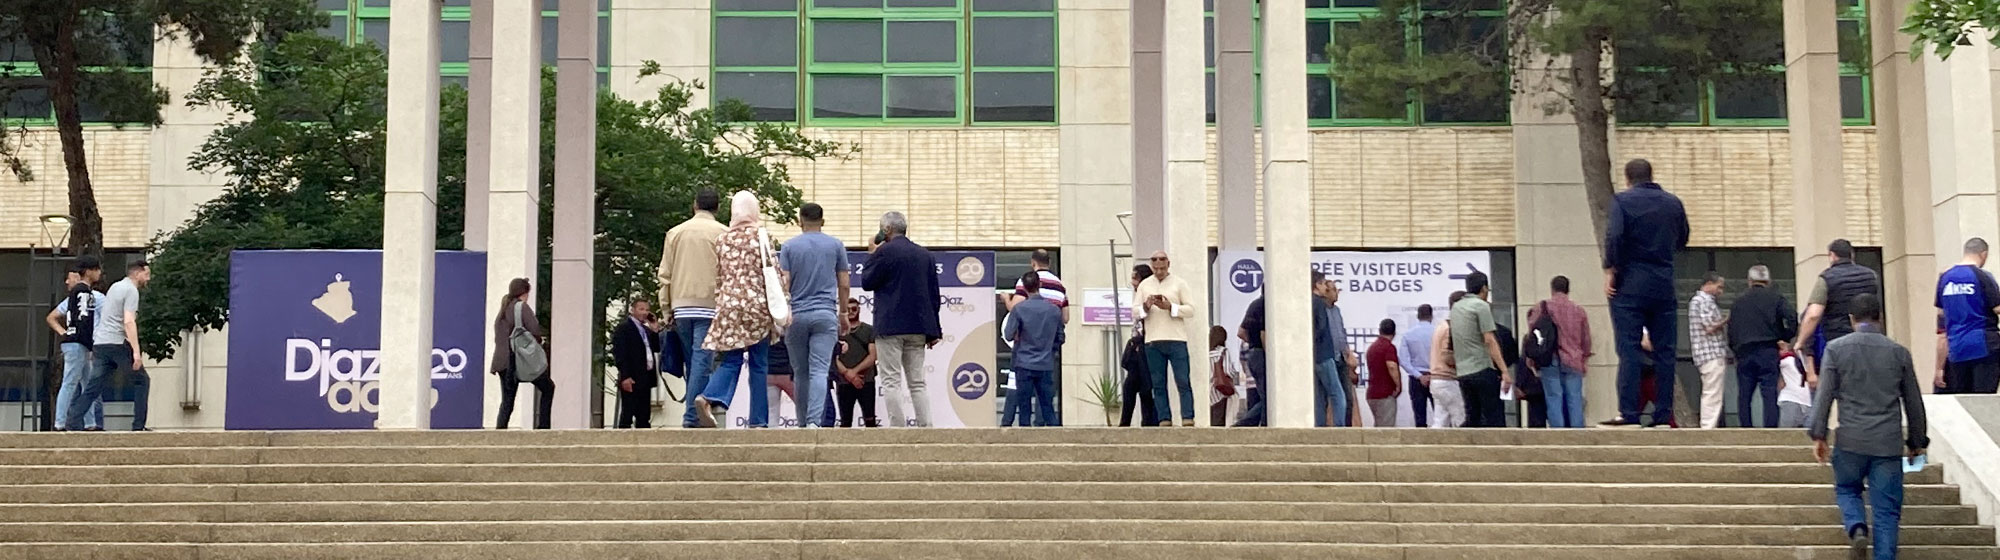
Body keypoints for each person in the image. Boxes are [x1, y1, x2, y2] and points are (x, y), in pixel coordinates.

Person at [1808, 294, 1927, 560]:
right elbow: (1914, 403)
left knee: (1847, 489)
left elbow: (1824, 395)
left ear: (1851, 319)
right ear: (1880, 317)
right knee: (1887, 511)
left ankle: (1857, 527)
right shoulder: (1899, 353)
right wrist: (1917, 442)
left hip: (1850, 439)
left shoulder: (1836, 349)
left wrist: (1819, 434)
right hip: (1887, 443)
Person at [1601, 159, 1691, 428]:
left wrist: (1611, 269)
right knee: (1665, 352)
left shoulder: (1622, 202)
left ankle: (1629, 413)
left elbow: (1615, 237)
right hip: (1663, 283)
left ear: (1628, 179)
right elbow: (1683, 237)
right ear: (1652, 176)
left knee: (1628, 349)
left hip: (1629, 284)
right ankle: (1663, 415)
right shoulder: (1673, 202)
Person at [692, 191, 783, 429]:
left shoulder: (722, 239)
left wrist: (721, 304)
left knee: (731, 360)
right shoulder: (761, 237)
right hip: (757, 309)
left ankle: (708, 396)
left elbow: (720, 277)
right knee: (759, 364)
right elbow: (773, 273)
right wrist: (784, 304)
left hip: (729, 307)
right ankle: (758, 422)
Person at [862, 211, 942, 428]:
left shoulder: (883, 252)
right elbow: (934, 294)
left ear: (886, 230)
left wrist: (872, 253)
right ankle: (926, 427)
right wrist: (935, 330)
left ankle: (898, 429)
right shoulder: (925, 255)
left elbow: (867, 282)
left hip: (890, 326)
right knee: (917, 382)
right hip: (919, 326)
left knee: (891, 381)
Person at [778, 202, 851, 428]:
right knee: (820, 370)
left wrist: (782, 313)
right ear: (823, 221)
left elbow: (784, 282)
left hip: (796, 315)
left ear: (800, 221)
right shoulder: (836, 245)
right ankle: (813, 423)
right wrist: (844, 313)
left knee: (800, 373)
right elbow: (844, 283)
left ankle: (801, 422)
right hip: (825, 313)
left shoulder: (789, 247)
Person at [659, 188, 727, 428]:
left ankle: (692, 412)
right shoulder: (723, 234)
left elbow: (665, 275)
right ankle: (692, 417)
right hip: (710, 306)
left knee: (693, 362)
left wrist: (666, 309)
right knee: (701, 362)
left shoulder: (675, 233)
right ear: (717, 208)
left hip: (681, 305)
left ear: (694, 205)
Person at [71, 260, 149, 431]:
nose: (148, 279)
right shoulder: (131, 290)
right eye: (146, 274)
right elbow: (128, 321)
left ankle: (73, 421)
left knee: (93, 386)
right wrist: (136, 351)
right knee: (142, 381)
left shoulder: (115, 286)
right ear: (137, 274)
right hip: (117, 342)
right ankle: (138, 426)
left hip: (101, 343)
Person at [1794, 239, 1883, 366]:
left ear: (1832, 255)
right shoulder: (1871, 275)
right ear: (1852, 255)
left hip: (1838, 338)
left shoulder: (1826, 278)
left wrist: (1800, 342)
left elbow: (1813, 315)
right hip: (1870, 339)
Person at [1728, 264, 1796, 429]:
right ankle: (1770, 431)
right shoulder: (1776, 298)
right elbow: (1792, 318)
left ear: (1749, 281)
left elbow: (1731, 329)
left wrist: (1735, 349)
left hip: (1744, 351)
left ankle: (1746, 430)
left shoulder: (1738, 302)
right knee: (1769, 394)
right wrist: (1784, 337)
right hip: (1768, 349)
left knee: (1744, 395)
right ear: (1768, 280)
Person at [1135, 250, 1197, 427]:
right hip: (1153, 340)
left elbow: (1191, 309)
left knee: (1183, 380)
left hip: (1176, 339)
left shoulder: (1179, 284)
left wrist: (1171, 307)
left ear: (1168, 265)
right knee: (1158, 383)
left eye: (1162, 267)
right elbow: (1134, 311)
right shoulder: (1145, 285)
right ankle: (1164, 418)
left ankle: (1187, 417)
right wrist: (1146, 307)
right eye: (1155, 268)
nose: (1159, 271)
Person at [1935, 237, 2000, 394]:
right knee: (1983, 402)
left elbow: (1941, 324)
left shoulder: (1945, 278)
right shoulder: (1983, 277)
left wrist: (1939, 367)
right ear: (1983, 254)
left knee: (1962, 402)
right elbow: (1997, 307)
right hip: (1984, 346)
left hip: (1957, 350)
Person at [1526, 276, 1592, 428]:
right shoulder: (1578, 310)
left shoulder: (1541, 308)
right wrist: (1585, 358)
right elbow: (1585, 338)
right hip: (1574, 359)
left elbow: (1533, 334)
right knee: (1575, 398)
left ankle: (1558, 433)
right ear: (1568, 289)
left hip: (1550, 358)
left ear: (1552, 289)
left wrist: (1531, 358)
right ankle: (1577, 435)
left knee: (1553, 397)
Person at [48, 258, 105, 431]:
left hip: (74, 340)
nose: (99, 273)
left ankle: (90, 422)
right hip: (79, 342)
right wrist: (89, 344)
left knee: (86, 383)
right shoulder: (85, 293)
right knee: (71, 382)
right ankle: (60, 422)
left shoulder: (76, 292)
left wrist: (66, 333)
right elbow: (84, 320)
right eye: (96, 269)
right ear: (88, 272)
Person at [1003, 271, 1065, 427]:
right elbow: (1061, 337)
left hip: (1023, 363)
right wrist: (1051, 349)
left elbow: (1008, 334)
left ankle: (1025, 445)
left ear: (1024, 288)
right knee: (1047, 407)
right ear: (1040, 285)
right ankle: (1055, 442)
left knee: (1024, 408)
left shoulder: (1019, 309)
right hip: (1045, 363)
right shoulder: (1054, 310)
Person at [1451, 271, 1512, 428]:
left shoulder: (1456, 307)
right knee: (1494, 417)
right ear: (1484, 288)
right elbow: (1489, 340)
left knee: (1473, 418)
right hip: (1482, 368)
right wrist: (1504, 371)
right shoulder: (1481, 306)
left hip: (1463, 372)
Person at [490, 277, 553, 429]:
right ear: (524, 292)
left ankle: (499, 433)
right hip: (519, 360)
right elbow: (534, 329)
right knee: (548, 388)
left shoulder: (503, 311)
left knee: (507, 401)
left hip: (502, 362)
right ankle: (543, 428)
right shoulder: (521, 307)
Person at [611, 299, 662, 429]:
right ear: (632, 310)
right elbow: (620, 353)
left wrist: (655, 329)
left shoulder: (646, 330)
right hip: (631, 377)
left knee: (644, 415)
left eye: (647, 310)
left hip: (646, 376)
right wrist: (625, 375)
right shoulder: (624, 329)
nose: (644, 313)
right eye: (641, 309)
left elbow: (656, 348)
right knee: (628, 413)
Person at [1688, 272, 1729, 429]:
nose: (1721, 291)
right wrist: (1726, 320)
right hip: (1711, 352)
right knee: (1713, 393)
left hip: (1703, 353)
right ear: (1709, 284)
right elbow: (1710, 326)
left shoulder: (1697, 301)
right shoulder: (1704, 301)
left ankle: (1708, 425)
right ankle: (1708, 426)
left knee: (1710, 391)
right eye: (1719, 287)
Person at [1122, 264, 1160, 427]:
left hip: (1145, 346)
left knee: (1144, 387)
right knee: (1132, 386)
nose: (1132, 282)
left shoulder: (1148, 297)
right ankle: (1127, 423)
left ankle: (1147, 422)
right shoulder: (1138, 297)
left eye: (1134, 278)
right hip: (1136, 347)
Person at [1311, 271, 1348, 428]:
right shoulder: (1318, 303)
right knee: (1337, 394)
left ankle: (1319, 428)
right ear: (1317, 284)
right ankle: (1339, 428)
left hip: (1314, 356)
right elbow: (1319, 328)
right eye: (1324, 284)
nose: (1326, 288)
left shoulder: (1308, 302)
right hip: (1324, 354)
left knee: (1319, 397)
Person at [1426, 291, 1468, 428]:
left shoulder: (1441, 325)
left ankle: (1433, 448)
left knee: (1440, 420)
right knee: (1460, 417)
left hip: (1436, 380)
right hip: (1448, 380)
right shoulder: (1451, 327)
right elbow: (1447, 356)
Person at [836, 298, 878, 427]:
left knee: (870, 420)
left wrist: (853, 373)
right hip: (843, 381)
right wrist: (847, 374)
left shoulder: (869, 330)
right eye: (847, 309)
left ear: (859, 309)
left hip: (866, 380)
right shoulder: (836, 331)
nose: (850, 312)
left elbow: (873, 355)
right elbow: (833, 357)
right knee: (845, 422)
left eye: (854, 309)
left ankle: (872, 447)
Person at [1231, 293, 1267, 427]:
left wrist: (1251, 341)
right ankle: (1247, 423)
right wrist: (1267, 352)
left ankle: (1247, 423)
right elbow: (1263, 334)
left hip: (1253, 353)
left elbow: (1241, 332)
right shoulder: (1265, 305)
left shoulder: (1254, 305)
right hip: (1260, 353)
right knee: (1268, 397)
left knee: (1264, 396)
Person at [1398, 304, 1436, 428]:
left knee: (1419, 416)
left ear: (1418, 316)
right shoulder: (1437, 332)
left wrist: (1419, 376)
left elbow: (1403, 360)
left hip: (1416, 378)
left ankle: (1421, 444)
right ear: (1431, 316)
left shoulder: (1408, 334)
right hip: (1436, 376)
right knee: (1441, 416)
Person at [1009, 249, 1068, 321]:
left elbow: (1014, 309)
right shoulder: (1060, 285)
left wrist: (1006, 299)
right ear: (1049, 263)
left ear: (1033, 263)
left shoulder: (1026, 280)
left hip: (1030, 329)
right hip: (1052, 330)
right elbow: (1065, 318)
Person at [1364, 319, 1400, 427]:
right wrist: (1398, 386)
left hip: (1372, 393)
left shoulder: (1372, 347)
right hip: (1385, 394)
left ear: (1380, 331)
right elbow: (1392, 366)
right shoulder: (1389, 347)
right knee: (1386, 430)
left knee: (1378, 428)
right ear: (1394, 333)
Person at [1207, 326, 1239, 426]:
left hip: (1210, 393)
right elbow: (1229, 371)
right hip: (1222, 392)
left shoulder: (1206, 352)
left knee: (1212, 422)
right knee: (1222, 421)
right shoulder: (1223, 351)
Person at [1776, 349, 1812, 428]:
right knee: (1786, 436)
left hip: (1808, 402)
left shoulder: (1809, 357)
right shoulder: (1786, 358)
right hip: (1791, 399)